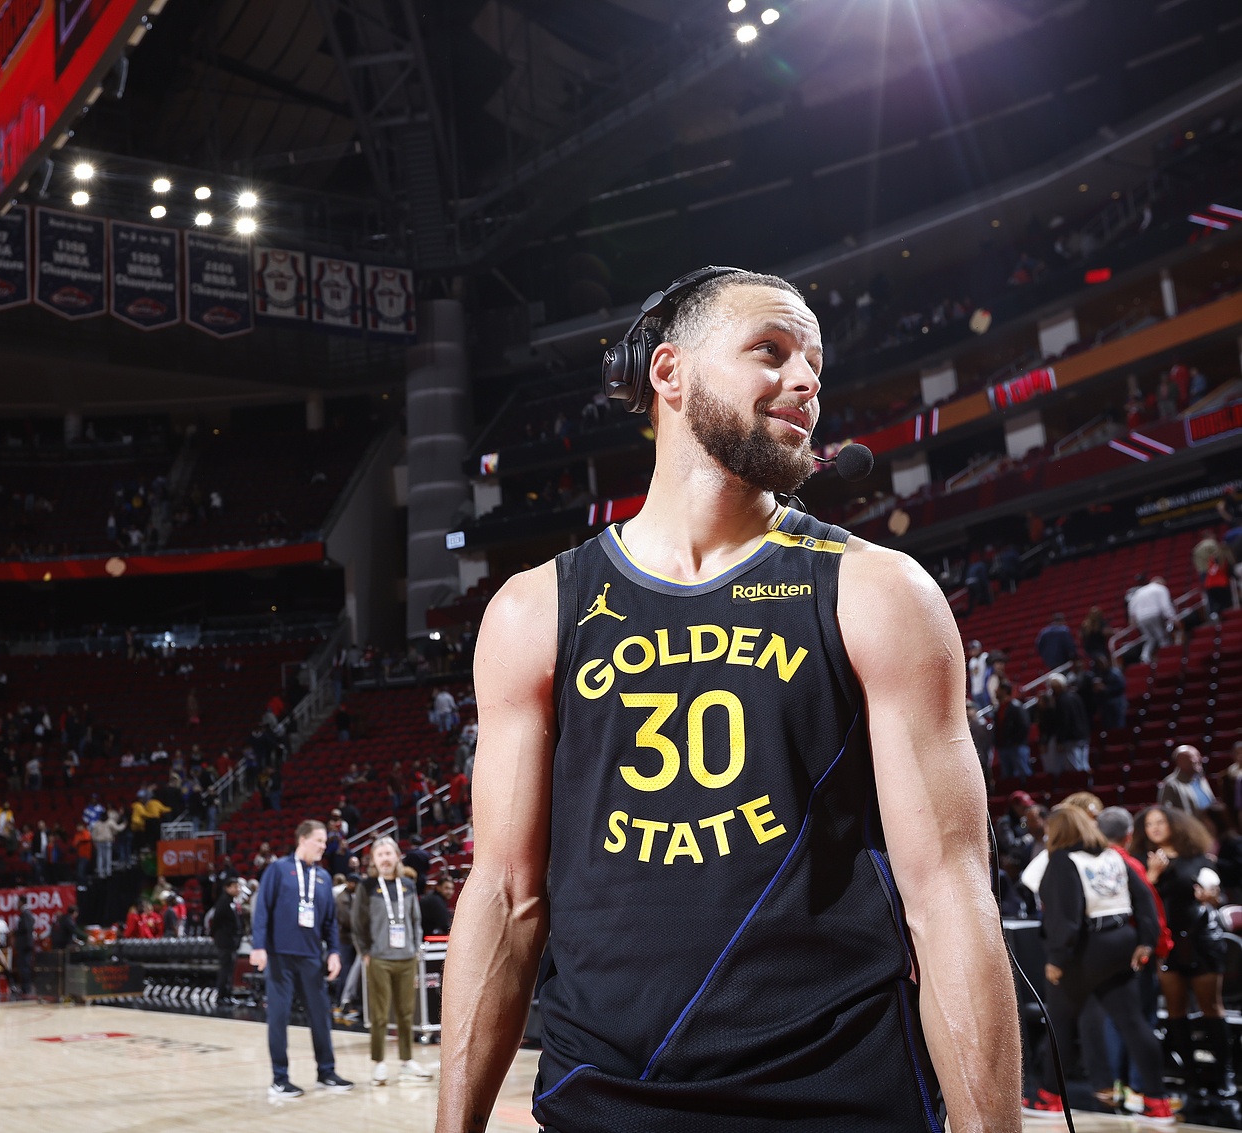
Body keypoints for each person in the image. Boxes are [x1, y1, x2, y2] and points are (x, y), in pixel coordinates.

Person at [436, 268, 1018, 1133]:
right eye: (771, 350)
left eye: (815, 363)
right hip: (605, 1101)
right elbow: (505, 898)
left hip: (837, 1101)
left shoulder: (879, 591)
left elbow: (948, 897)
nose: (806, 379)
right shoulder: (533, 611)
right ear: (668, 372)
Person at [1028, 807, 1172, 1122]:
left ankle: (1050, 1097)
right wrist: (1146, 941)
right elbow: (1145, 898)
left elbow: (1065, 917)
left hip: (1086, 949)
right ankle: (1158, 1102)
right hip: (1121, 945)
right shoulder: (1113, 856)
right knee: (1133, 1023)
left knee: (1060, 1023)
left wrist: (1057, 958)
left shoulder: (1063, 860)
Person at [250, 820, 354, 1099]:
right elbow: (262, 910)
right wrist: (258, 946)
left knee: (320, 1016)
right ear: (303, 839)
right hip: (280, 956)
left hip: (311, 957)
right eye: (319, 841)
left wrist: (334, 952)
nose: (323, 846)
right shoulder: (278, 869)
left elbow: (330, 922)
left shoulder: (324, 877)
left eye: (324, 842)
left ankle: (326, 1072)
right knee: (279, 1017)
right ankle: (279, 1079)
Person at [1133, 805, 1231, 1097]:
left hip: (1201, 939)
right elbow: (1141, 901)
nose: (1155, 828)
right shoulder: (1143, 860)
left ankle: (1223, 1075)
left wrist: (1212, 897)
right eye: (1149, 824)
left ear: (1175, 825)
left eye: (1160, 822)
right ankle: (1190, 1077)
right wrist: (1152, 875)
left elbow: (1217, 896)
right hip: (1168, 943)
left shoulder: (1198, 858)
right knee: (1176, 1010)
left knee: (1211, 1007)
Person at [353, 836, 431, 1085]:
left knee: (407, 1013)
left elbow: (415, 919)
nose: (385, 859)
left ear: (397, 856)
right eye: (380, 855)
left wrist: (415, 947)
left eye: (388, 853)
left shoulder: (408, 884)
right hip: (379, 959)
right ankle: (378, 1063)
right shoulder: (366, 886)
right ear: (374, 861)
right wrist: (365, 952)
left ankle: (407, 1062)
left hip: (406, 958)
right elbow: (357, 924)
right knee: (379, 1015)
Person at [1128, 575, 1178, 664]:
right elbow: (1165, 605)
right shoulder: (1161, 588)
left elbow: (1131, 607)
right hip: (1154, 614)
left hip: (1141, 617)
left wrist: (1133, 621)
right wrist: (1173, 618)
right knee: (1162, 637)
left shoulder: (1139, 591)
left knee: (1149, 638)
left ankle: (1144, 657)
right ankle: (1166, 655)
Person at [211, 877, 243, 1002]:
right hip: (225, 941)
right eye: (234, 886)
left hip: (232, 941)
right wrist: (217, 936)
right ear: (227, 888)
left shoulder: (233, 902)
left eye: (238, 886)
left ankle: (228, 993)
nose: (237, 889)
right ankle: (222, 995)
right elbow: (216, 921)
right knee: (225, 968)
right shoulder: (223, 902)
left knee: (230, 968)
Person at [1159, 744, 1215, 814]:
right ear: (1181, 762)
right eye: (1194, 756)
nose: (1199, 759)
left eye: (1199, 755)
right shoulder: (1171, 784)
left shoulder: (1200, 778)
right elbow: (1168, 812)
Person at [12, 895, 35, 998]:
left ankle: (26, 988)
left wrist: (16, 932)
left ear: (21, 902)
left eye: (18, 902)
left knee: (24, 966)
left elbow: (26, 928)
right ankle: (25, 987)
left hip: (25, 945)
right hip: (26, 944)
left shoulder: (26, 914)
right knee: (24, 965)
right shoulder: (26, 913)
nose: (17, 904)